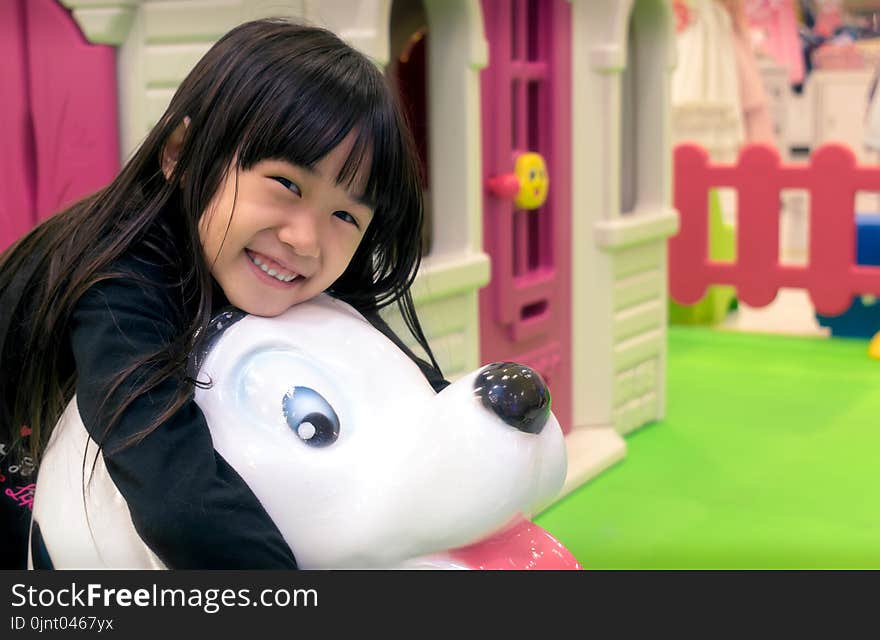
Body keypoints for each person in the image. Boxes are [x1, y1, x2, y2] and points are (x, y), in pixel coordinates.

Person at [0, 18, 447, 569]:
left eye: (344, 215)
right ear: (182, 155)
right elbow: (177, 498)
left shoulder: (301, 275)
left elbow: (399, 391)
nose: (305, 240)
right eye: (285, 184)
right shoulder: (123, 278)